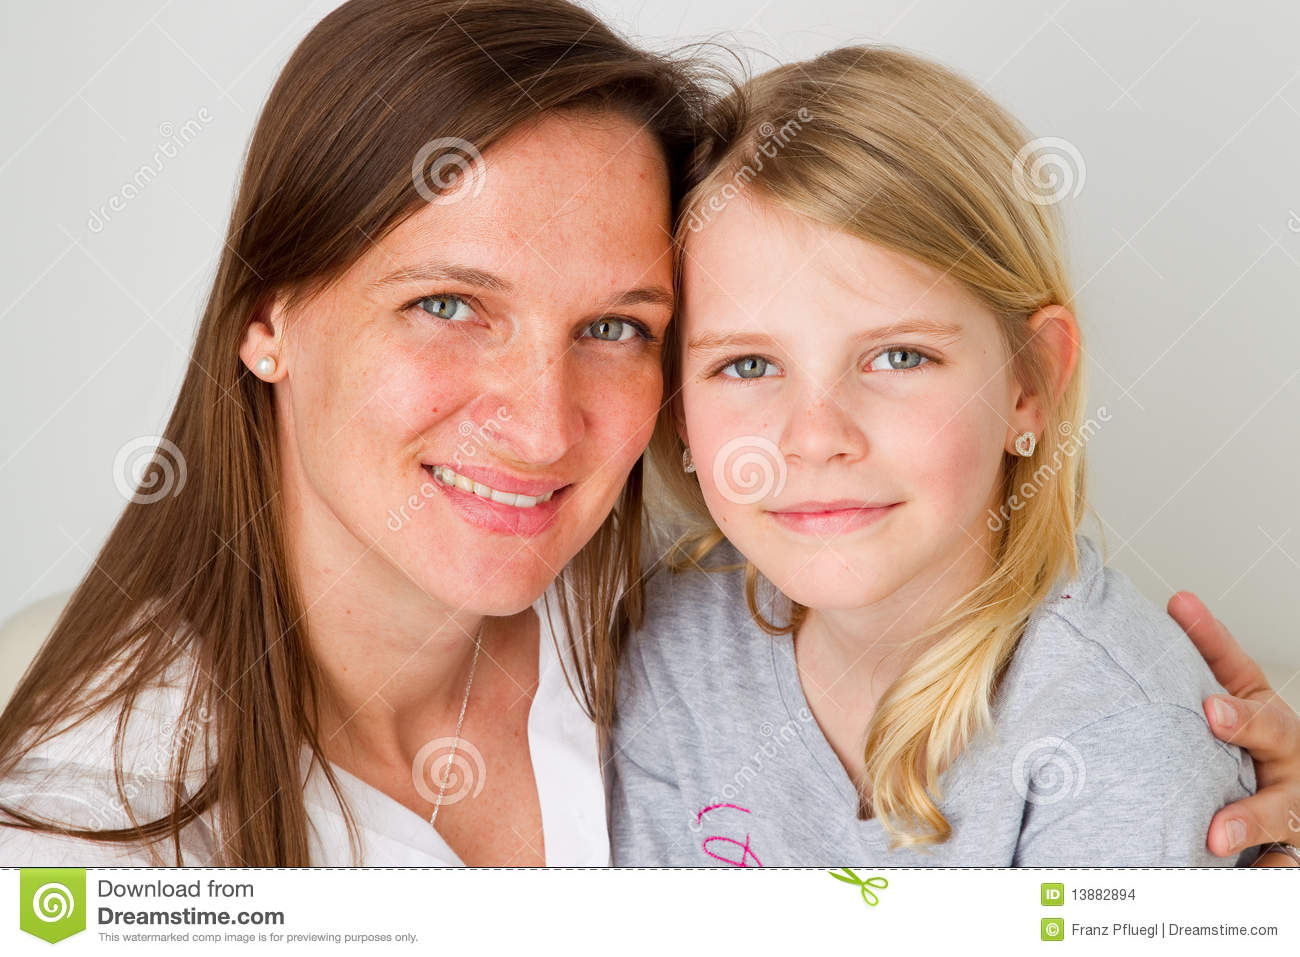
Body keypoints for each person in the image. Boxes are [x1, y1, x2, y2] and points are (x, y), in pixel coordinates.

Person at [1, 0, 1297, 868]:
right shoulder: (86, 831)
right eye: (448, 304)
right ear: (266, 316)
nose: (542, 422)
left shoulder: (649, 599)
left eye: (617, 326)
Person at [608, 44, 1300, 866]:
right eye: (747, 365)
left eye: (898, 356)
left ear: (1028, 383)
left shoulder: (1119, 734)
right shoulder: (670, 644)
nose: (818, 435)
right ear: (680, 409)